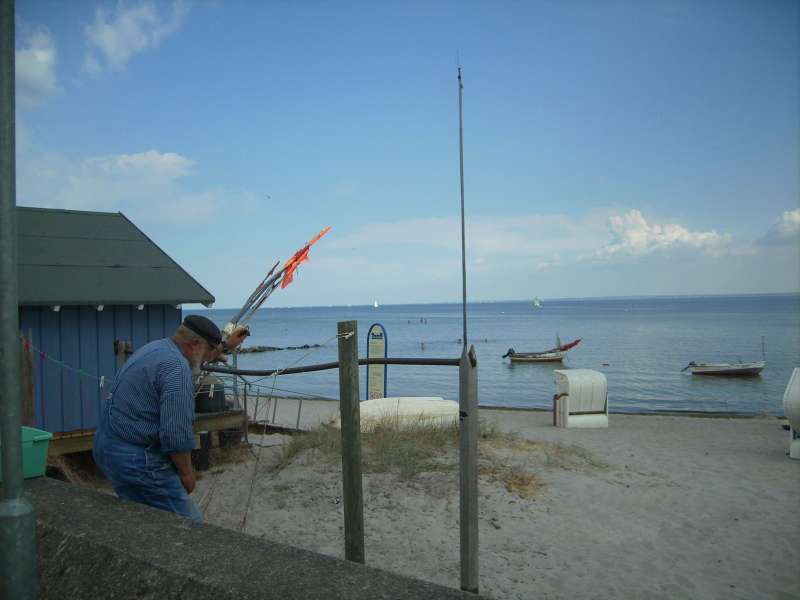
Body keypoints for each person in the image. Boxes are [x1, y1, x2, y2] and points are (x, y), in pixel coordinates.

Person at [93, 315, 248, 521]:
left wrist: (225, 346)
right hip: (135, 458)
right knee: (190, 524)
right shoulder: (177, 370)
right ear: (195, 345)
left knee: (142, 514)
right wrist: (187, 473)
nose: (208, 360)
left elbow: (204, 353)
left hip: (106, 444)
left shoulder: (156, 348)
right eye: (210, 350)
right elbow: (175, 435)